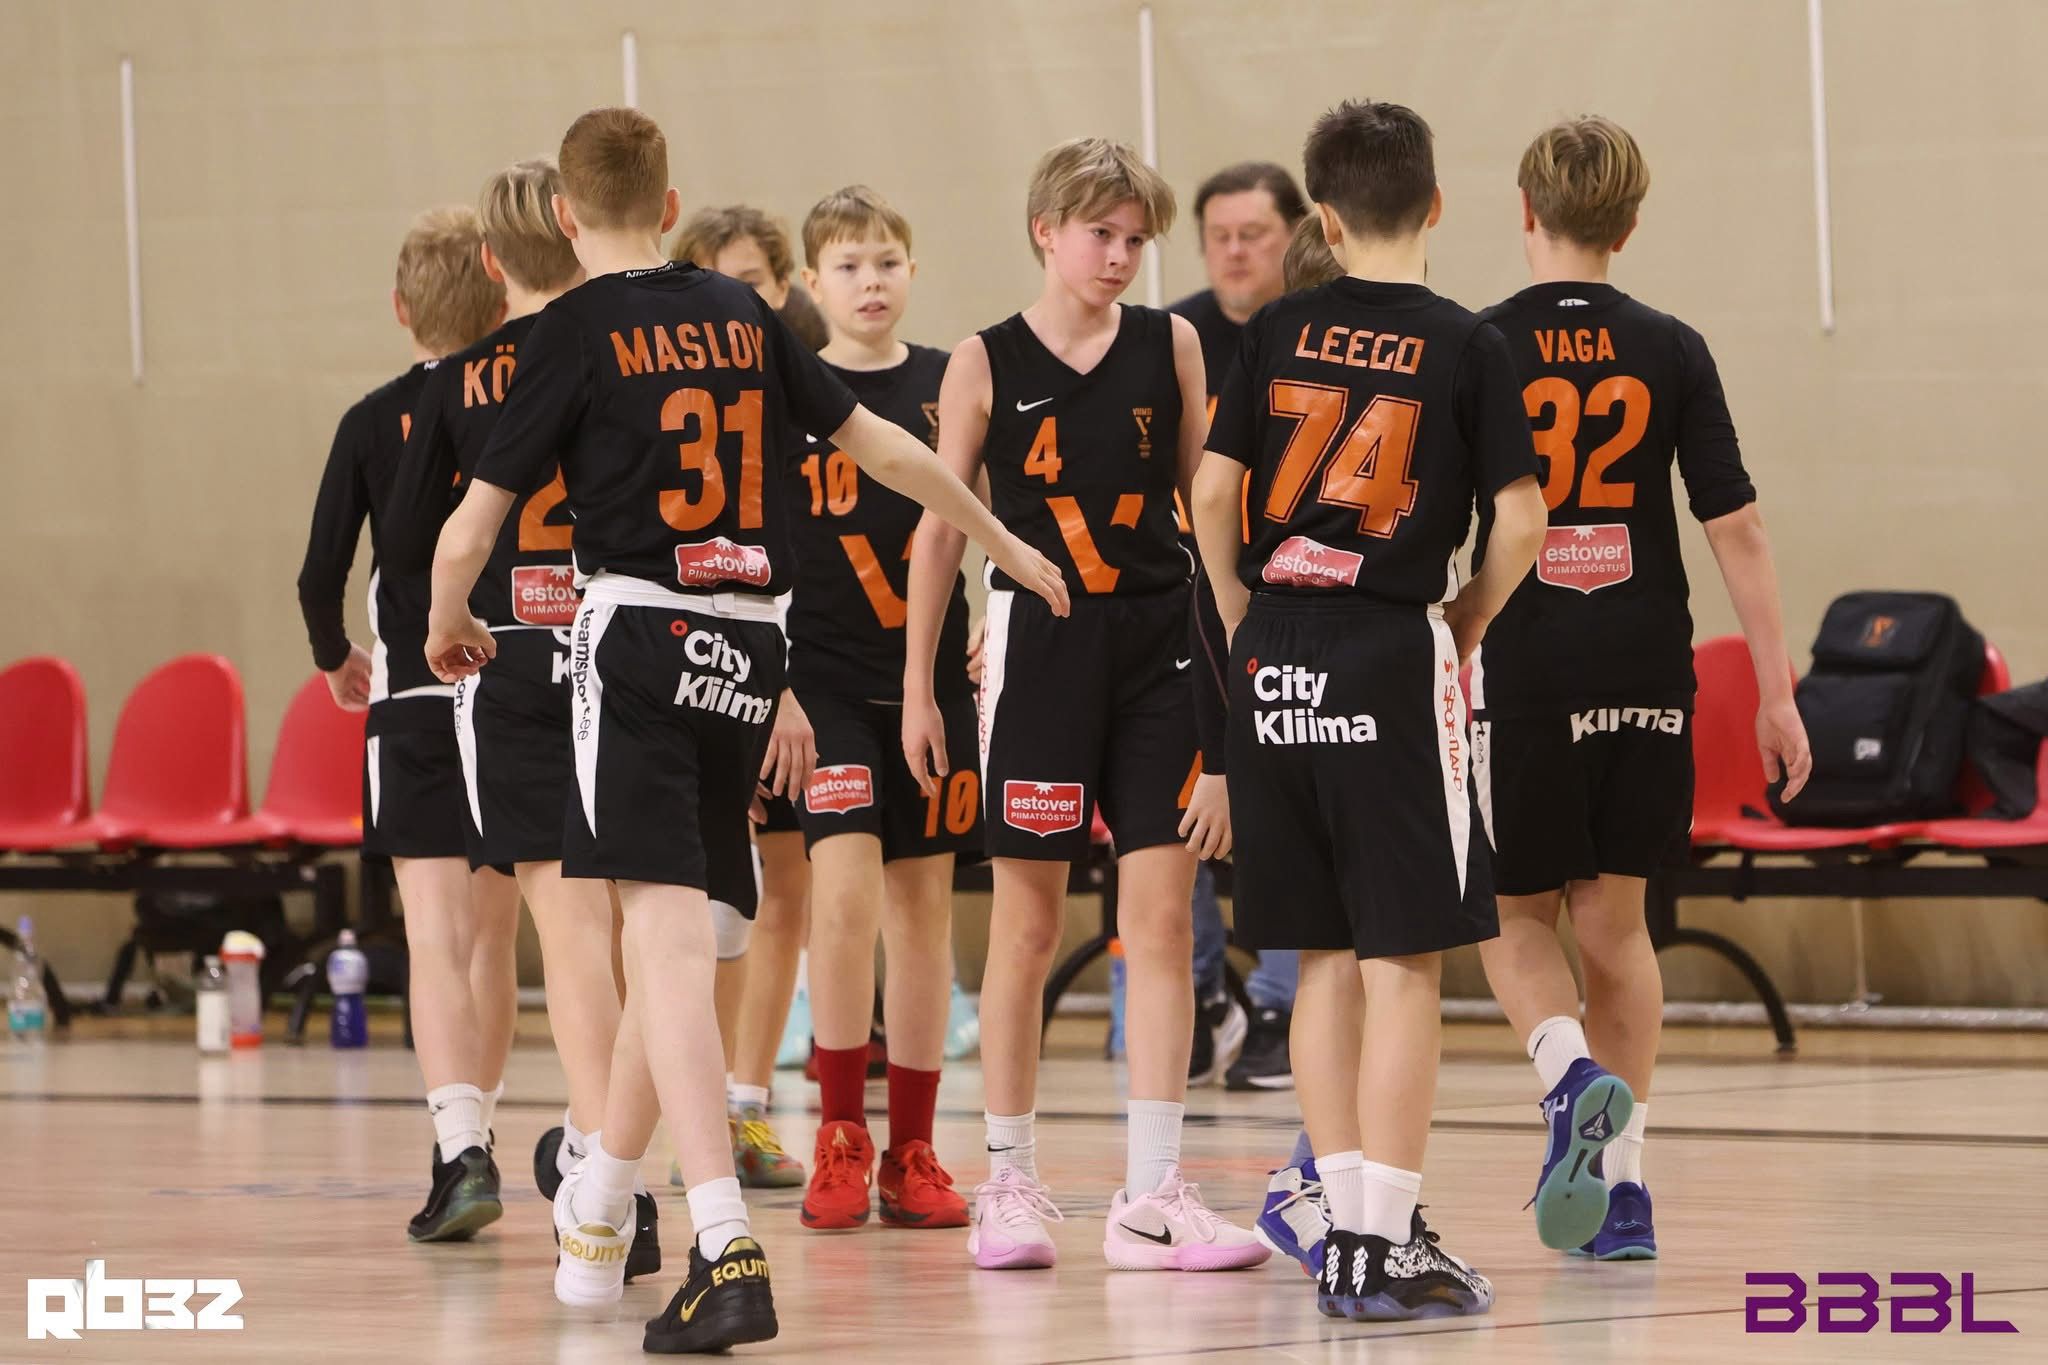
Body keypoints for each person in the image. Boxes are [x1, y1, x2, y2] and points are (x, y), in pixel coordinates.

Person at [426, 106, 1067, 1353]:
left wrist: (452, 619)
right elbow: (888, 449)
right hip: (756, 648)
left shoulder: (570, 328)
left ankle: (721, 1240)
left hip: (639, 636)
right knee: (701, 933)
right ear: (670, 207)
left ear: (565, 215)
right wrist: (1000, 539)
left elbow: (471, 525)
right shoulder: (744, 313)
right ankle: (599, 1207)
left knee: (663, 944)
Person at [1191, 98, 1546, 1321]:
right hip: (1387, 648)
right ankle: (1383, 1239)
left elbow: (1211, 494)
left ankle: (1342, 1229)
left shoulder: (1275, 326)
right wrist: (1469, 618)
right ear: (1435, 204)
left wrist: (1240, 612)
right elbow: (1520, 520)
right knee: (1404, 962)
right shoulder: (1467, 343)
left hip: (1274, 655)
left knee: (1320, 957)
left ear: (1324, 220)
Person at [901, 136, 1261, 1273]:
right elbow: (939, 530)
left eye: (1134, 240)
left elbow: (1210, 511)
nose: (1118, 256)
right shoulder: (982, 360)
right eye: (1100, 234)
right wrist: (919, 685)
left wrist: (1241, 674)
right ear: (1044, 231)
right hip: (1041, 652)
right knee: (1026, 925)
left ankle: (1153, 1192)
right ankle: (1007, 1181)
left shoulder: (1172, 344)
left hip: (1160, 653)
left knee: (1162, 924)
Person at [1472, 115, 1812, 1259]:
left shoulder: (1479, 344)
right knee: (1615, 925)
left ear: (1524, 210)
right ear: (1626, 223)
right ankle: (1620, 1197)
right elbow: (1737, 525)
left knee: (1509, 912)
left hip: (1523, 659)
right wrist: (1774, 693)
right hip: (1643, 662)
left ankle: (1568, 1076)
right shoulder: (1670, 345)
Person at [380, 159, 669, 1279]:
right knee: (642, 931)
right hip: (626, 645)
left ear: (493, 263)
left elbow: (414, 540)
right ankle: (621, 1169)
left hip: (508, 658)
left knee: (569, 931)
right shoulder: (630, 347)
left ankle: (607, 1178)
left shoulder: (466, 378)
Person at [294, 205, 516, 1244]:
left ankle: (459, 1147)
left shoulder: (371, 419)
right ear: (502, 298)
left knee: (434, 939)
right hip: (511, 688)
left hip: (415, 698)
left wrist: (333, 654)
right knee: (496, 938)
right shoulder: (523, 401)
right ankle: (486, 1135)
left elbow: (319, 573)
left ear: (399, 309)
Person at [783, 186, 980, 1232]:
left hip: (932, 684)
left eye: (887, 262)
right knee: (843, 896)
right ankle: (838, 1135)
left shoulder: (949, 384)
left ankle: (912, 1148)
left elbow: (994, 517)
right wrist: (772, 686)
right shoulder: (790, 392)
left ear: (912, 270)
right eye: (849, 265)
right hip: (823, 685)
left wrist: (998, 623)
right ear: (811, 282)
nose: (871, 282)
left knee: (921, 908)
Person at [669, 204, 818, 1191]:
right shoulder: (673, 408)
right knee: (699, 906)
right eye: (720, 278)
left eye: (756, 280)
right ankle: (681, 1112)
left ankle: (746, 1102)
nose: (738, 299)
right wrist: (759, 692)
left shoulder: (802, 387)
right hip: (708, 671)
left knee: (786, 889)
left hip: (803, 665)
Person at [1170, 161, 1310, 1092]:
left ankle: (1276, 1000)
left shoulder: (1318, 334)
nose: (1232, 252)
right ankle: (1200, 992)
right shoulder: (1175, 338)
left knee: (1289, 807)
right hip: (1189, 604)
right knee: (1172, 800)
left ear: (1296, 234)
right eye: (1217, 236)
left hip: (1293, 603)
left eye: (1252, 234)